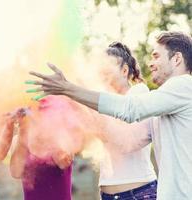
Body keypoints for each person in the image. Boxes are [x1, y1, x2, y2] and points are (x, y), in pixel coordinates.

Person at [27, 31, 192, 200]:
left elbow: (130, 109)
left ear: (177, 58)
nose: (150, 63)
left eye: (156, 56)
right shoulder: (164, 102)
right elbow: (127, 141)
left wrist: (69, 89)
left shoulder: (183, 85)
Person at [97, 42, 157, 200]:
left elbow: (125, 141)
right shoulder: (104, 101)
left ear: (124, 70)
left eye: (107, 71)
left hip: (138, 192)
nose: (103, 76)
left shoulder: (139, 92)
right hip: (107, 194)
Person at [10, 96, 76, 200]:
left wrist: (45, 131)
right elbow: (15, 172)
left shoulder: (63, 137)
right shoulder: (20, 139)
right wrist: (23, 128)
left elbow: (63, 163)